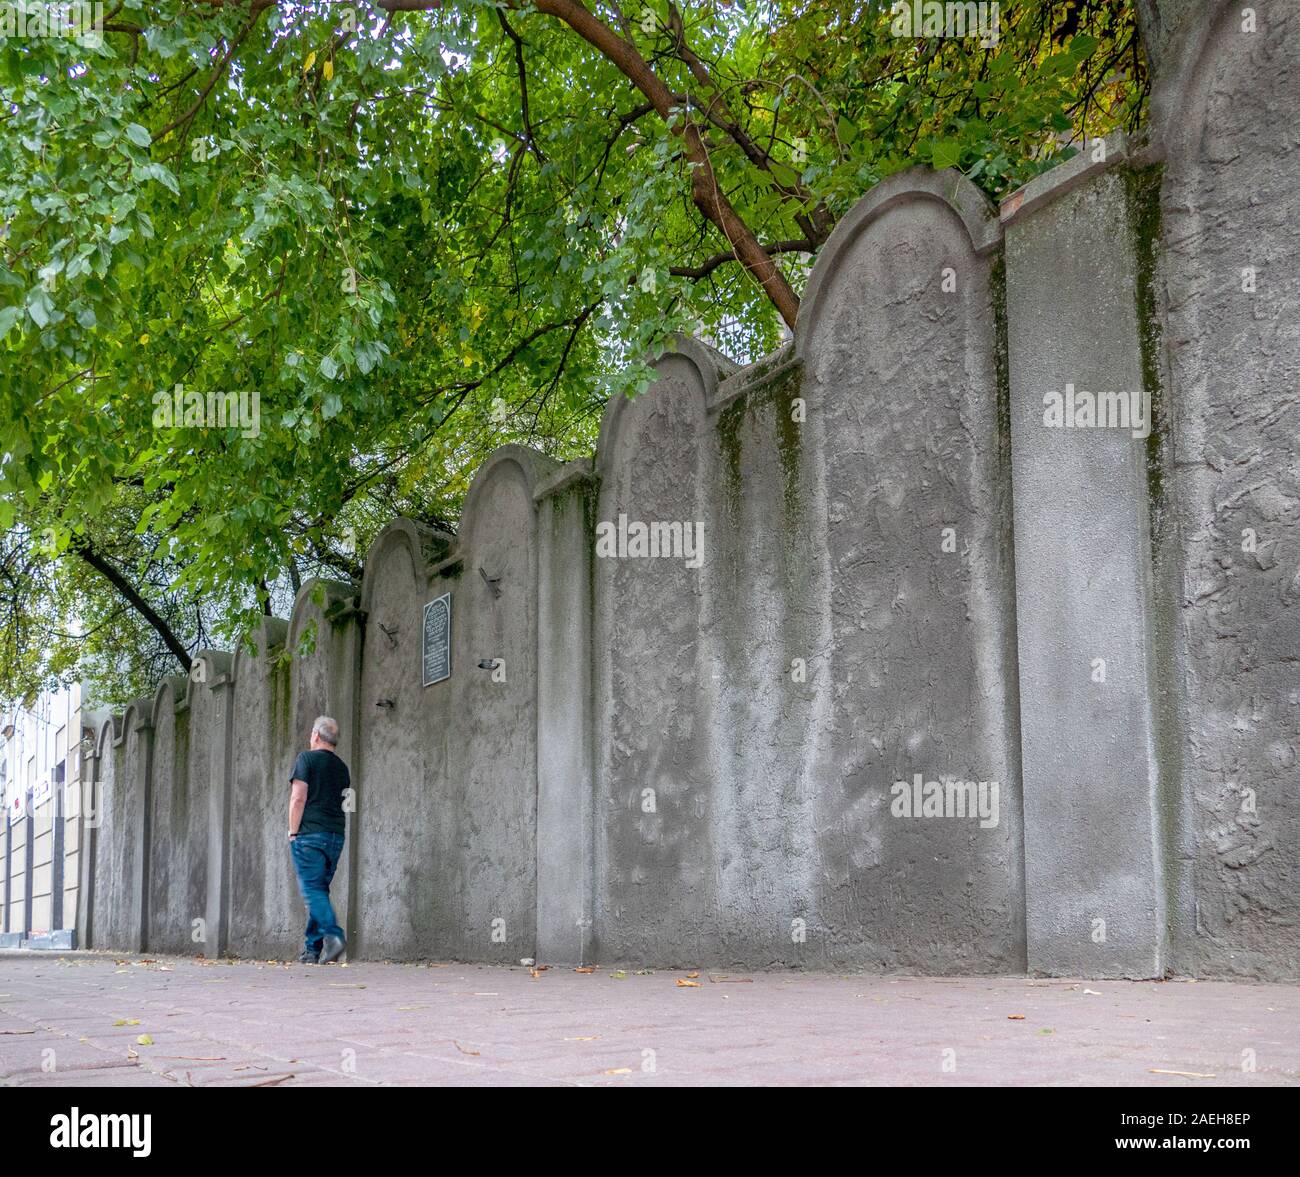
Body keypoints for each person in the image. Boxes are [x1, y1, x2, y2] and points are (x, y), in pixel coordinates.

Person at [288, 716, 350, 964]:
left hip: (310, 836)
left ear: (315, 735)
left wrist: (293, 832)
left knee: (312, 890)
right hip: (335, 836)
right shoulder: (342, 768)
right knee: (320, 890)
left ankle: (334, 937)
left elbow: (298, 798)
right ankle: (312, 950)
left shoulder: (306, 759)